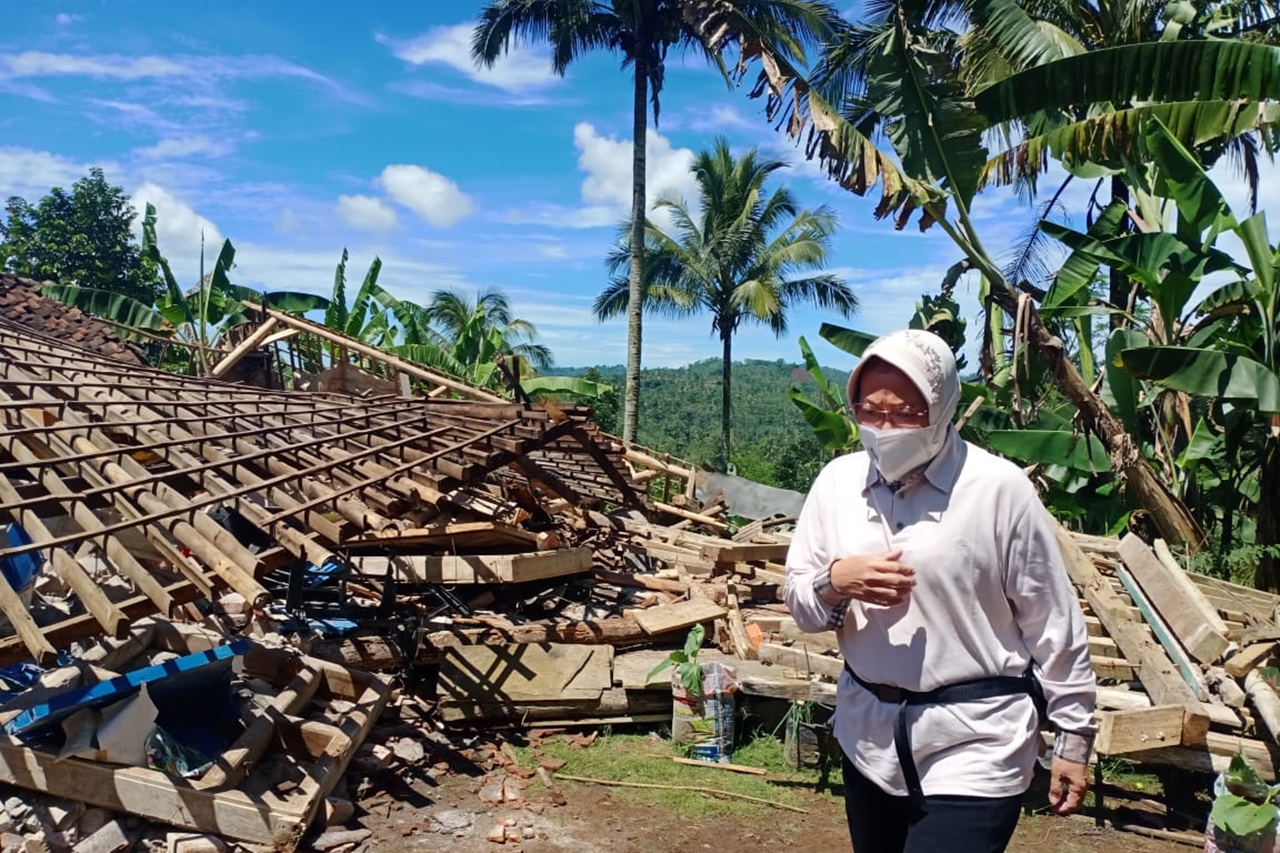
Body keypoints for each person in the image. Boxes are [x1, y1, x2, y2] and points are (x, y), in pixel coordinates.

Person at [784, 329, 1096, 853]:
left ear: (944, 405)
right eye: (869, 410)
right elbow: (802, 605)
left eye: (905, 413)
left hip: (977, 739)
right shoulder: (837, 484)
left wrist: (1074, 735)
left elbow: (1052, 621)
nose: (884, 429)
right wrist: (835, 582)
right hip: (870, 738)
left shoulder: (998, 491)